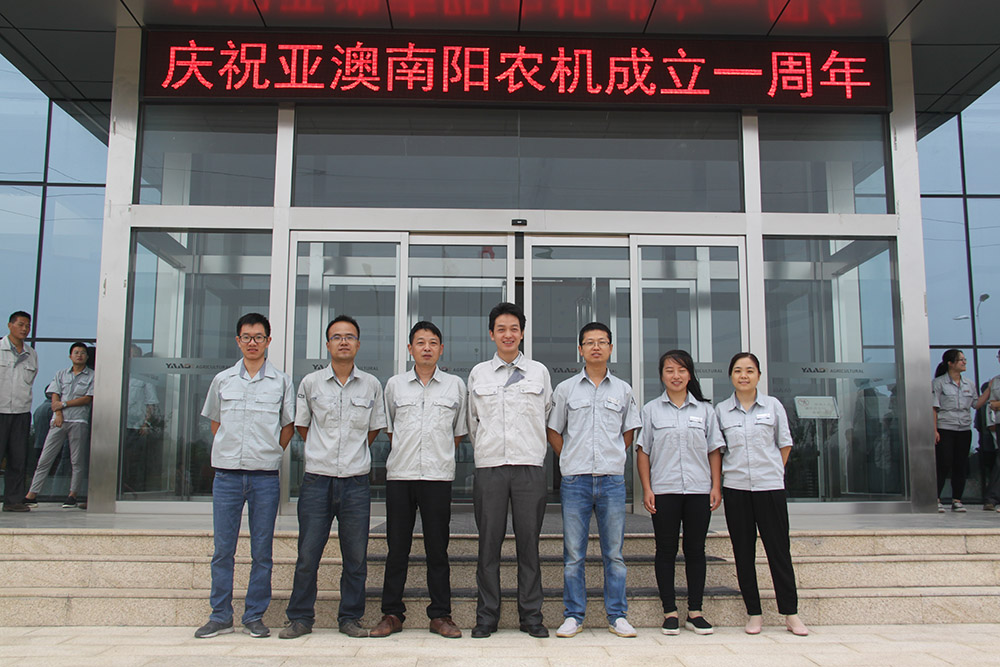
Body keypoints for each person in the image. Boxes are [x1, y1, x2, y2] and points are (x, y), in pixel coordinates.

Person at [280, 315, 386, 640]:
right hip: (317, 480)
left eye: (349, 337)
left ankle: (350, 618)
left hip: (355, 482)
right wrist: (323, 450)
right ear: (327, 344)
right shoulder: (311, 383)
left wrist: (351, 452)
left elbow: (373, 429)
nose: (343, 342)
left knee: (355, 557)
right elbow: (302, 426)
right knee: (307, 554)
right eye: (337, 337)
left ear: (358, 344)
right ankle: (300, 618)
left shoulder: (371, 384)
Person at [194, 313, 295, 640]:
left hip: (264, 477)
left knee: (261, 551)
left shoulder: (281, 382)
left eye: (259, 337)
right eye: (247, 337)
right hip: (227, 476)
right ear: (238, 341)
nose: (253, 342)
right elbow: (216, 423)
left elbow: (288, 425)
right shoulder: (223, 380)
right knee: (223, 549)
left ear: (268, 341)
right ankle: (220, 615)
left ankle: (254, 616)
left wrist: (271, 452)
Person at [371, 321, 467, 640]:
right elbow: (390, 429)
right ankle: (391, 614)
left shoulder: (455, 386)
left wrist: (437, 454)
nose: (427, 347)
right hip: (401, 475)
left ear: (441, 349)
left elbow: (457, 432)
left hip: (438, 477)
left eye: (433, 342)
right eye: (421, 342)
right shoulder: (395, 385)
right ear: (410, 348)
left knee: (437, 549)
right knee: (397, 548)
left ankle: (440, 615)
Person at [546, 322, 641, 639]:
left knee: (614, 554)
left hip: (612, 481)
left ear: (611, 348)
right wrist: (569, 458)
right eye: (590, 342)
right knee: (574, 554)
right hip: (576, 481)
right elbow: (553, 430)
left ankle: (618, 615)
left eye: (602, 342)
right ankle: (573, 615)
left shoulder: (623, 390)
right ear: (580, 349)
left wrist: (613, 455)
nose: (596, 347)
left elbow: (629, 430)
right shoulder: (566, 389)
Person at [467, 302, 552, 639]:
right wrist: (488, 450)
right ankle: (486, 616)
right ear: (491, 334)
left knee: (528, 545)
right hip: (490, 468)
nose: (508, 334)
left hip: (529, 467)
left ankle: (531, 616)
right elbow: (473, 422)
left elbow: (546, 414)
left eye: (514, 329)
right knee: (488, 545)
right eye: (501, 329)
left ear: (522, 333)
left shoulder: (538, 372)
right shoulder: (479, 373)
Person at [715, 352, 808, 636]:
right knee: (743, 553)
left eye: (749, 370)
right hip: (737, 489)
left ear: (758, 375)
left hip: (770, 489)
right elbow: (719, 451)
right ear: (731, 376)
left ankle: (791, 613)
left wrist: (773, 471)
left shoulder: (773, 406)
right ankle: (753, 613)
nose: (743, 376)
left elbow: (784, 443)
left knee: (779, 551)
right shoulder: (721, 410)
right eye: (738, 370)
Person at [636, 349, 722, 636]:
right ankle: (670, 611)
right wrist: (647, 489)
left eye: (682, 370)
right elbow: (643, 452)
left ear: (690, 374)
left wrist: (716, 486)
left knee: (696, 550)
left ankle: (695, 612)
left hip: (698, 490)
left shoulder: (705, 411)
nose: (676, 376)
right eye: (670, 370)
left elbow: (714, 450)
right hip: (664, 490)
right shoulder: (651, 410)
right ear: (661, 375)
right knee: (666, 550)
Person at [24, 342, 94, 509]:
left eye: (83, 353)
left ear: (87, 357)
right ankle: (32, 494)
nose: (79, 355)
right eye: (76, 352)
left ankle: (72, 495)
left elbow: (87, 398)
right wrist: (59, 413)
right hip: (58, 421)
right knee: (45, 458)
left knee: (76, 460)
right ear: (70, 356)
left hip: (78, 421)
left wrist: (64, 404)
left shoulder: (92, 376)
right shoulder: (61, 374)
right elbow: (55, 396)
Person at [932, 349, 990, 513]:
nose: (964, 362)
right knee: (944, 463)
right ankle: (936, 499)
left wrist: (989, 390)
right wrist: (934, 430)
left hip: (964, 429)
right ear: (950, 363)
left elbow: (976, 404)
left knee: (961, 464)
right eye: (961, 360)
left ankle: (957, 500)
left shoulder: (969, 384)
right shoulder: (939, 383)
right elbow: (933, 408)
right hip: (945, 427)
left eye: (965, 359)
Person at [0, 311, 37, 512]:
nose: (24, 329)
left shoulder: (31, 354)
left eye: (27, 326)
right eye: (21, 324)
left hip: (21, 413)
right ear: (10, 325)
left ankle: (13, 501)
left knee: (18, 458)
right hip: (1, 410)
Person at [123, 343, 159, 494]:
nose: (133, 358)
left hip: (136, 427)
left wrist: (146, 423)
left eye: (136, 356)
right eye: (130, 355)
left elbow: (151, 403)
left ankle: (134, 489)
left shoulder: (144, 378)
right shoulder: (119, 375)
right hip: (119, 426)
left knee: (134, 460)